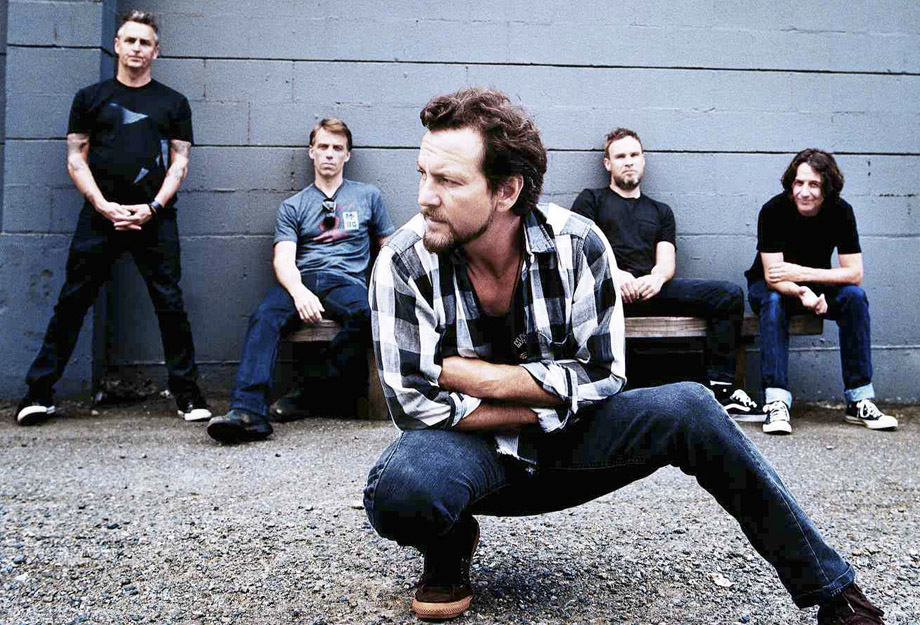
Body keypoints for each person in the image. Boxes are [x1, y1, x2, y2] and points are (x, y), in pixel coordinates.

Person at [363, 88, 886, 624]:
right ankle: (448, 541)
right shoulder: (404, 260)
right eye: (423, 174)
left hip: (574, 444)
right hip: (474, 454)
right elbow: (412, 403)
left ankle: (835, 593)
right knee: (402, 490)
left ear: (506, 190)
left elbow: (603, 374)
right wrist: (545, 399)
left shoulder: (578, 244)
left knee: (693, 408)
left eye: (448, 181)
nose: (425, 196)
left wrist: (480, 378)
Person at [15, 10, 211, 426]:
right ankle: (38, 394)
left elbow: (179, 162)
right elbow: (75, 158)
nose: (137, 48)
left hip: (154, 219)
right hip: (100, 218)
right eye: (130, 40)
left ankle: (188, 395)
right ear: (117, 45)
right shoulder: (90, 98)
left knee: (170, 304)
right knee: (73, 301)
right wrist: (103, 205)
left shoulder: (173, 102)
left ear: (156, 51)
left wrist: (153, 207)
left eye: (145, 42)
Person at [206, 118, 395, 444]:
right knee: (264, 316)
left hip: (346, 282)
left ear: (347, 155)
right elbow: (283, 259)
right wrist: (298, 291)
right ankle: (247, 412)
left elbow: (389, 247)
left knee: (368, 316)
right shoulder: (293, 206)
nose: (329, 154)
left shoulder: (368, 196)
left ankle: (311, 392)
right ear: (311, 152)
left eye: (337, 148)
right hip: (302, 279)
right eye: (323, 147)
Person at [572, 128, 763, 420]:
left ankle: (722, 392)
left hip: (650, 291)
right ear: (607, 164)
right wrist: (615, 275)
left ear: (643, 160)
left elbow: (666, 261)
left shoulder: (660, 211)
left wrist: (657, 278)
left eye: (634, 155)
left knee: (728, 295)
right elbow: (580, 249)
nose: (628, 161)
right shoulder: (591, 200)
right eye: (620, 156)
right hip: (608, 293)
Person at [745, 149, 898, 435]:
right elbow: (773, 276)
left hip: (812, 282)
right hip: (771, 286)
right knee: (775, 301)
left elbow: (854, 274)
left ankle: (859, 399)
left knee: (855, 298)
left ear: (827, 187)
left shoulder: (841, 211)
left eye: (813, 184)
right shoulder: (773, 210)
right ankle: (776, 402)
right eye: (798, 183)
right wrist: (802, 293)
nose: (804, 192)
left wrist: (803, 275)